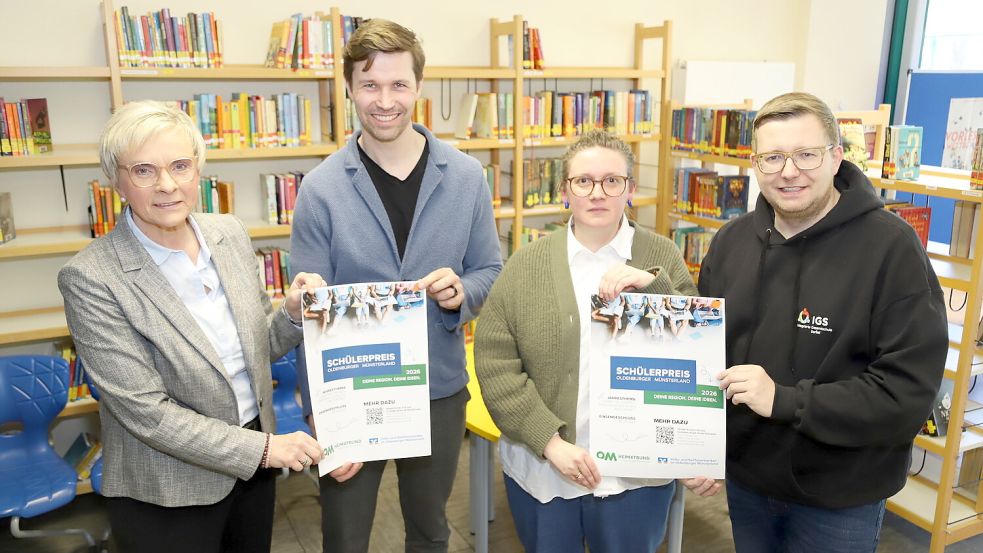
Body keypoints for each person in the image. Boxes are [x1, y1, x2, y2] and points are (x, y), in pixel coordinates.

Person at [56, 100, 325, 553]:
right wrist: (260, 451)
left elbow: (255, 347)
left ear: (198, 168)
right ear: (116, 180)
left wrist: (292, 314)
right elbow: (148, 413)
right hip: (166, 489)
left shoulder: (229, 233)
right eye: (144, 170)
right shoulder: (92, 277)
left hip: (253, 467)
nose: (167, 185)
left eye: (180, 166)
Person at [697, 92, 947, 552]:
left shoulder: (892, 249)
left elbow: (906, 392)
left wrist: (787, 401)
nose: (788, 171)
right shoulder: (731, 243)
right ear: (755, 164)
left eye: (805, 154)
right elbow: (704, 357)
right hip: (748, 484)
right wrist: (698, 446)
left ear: (836, 157)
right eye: (773, 157)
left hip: (841, 497)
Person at [289, 18, 502, 553]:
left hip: (437, 389)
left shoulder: (466, 176)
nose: (385, 100)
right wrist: (319, 411)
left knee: (430, 529)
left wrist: (463, 293)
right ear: (350, 90)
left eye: (398, 84)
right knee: (344, 531)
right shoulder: (320, 190)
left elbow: (489, 271)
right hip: (351, 394)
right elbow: (308, 310)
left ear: (418, 87)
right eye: (370, 85)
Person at [475, 130, 720, 553]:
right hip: (546, 469)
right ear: (565, 191)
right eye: (583, 181)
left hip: (636, 476)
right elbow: (496, 363)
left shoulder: (660, 255)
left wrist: (653, 288)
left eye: (612, 181)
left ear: (628, 190)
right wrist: (550, 443)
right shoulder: (525, 264)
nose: (597, 192)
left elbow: (695, 356)